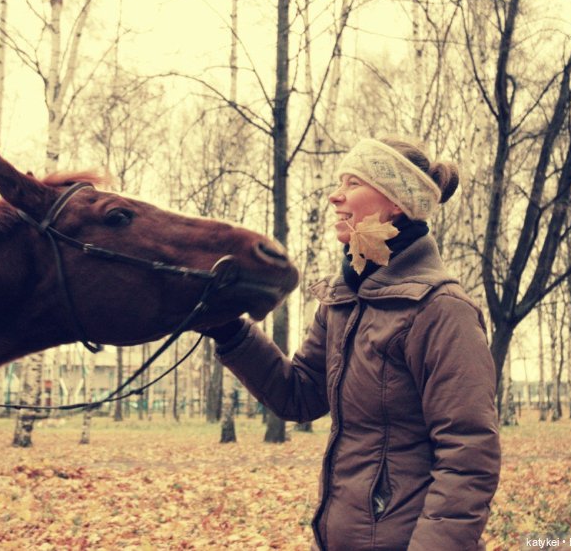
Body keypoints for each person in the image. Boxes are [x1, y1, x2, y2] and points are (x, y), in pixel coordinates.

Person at [205, 137, 501, 551]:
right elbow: (300, 395)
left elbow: (468, 457)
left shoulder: (442, 310)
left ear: (396, 203)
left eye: (354, 182)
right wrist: (228, 328)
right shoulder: (344, 299)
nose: (335, 195)